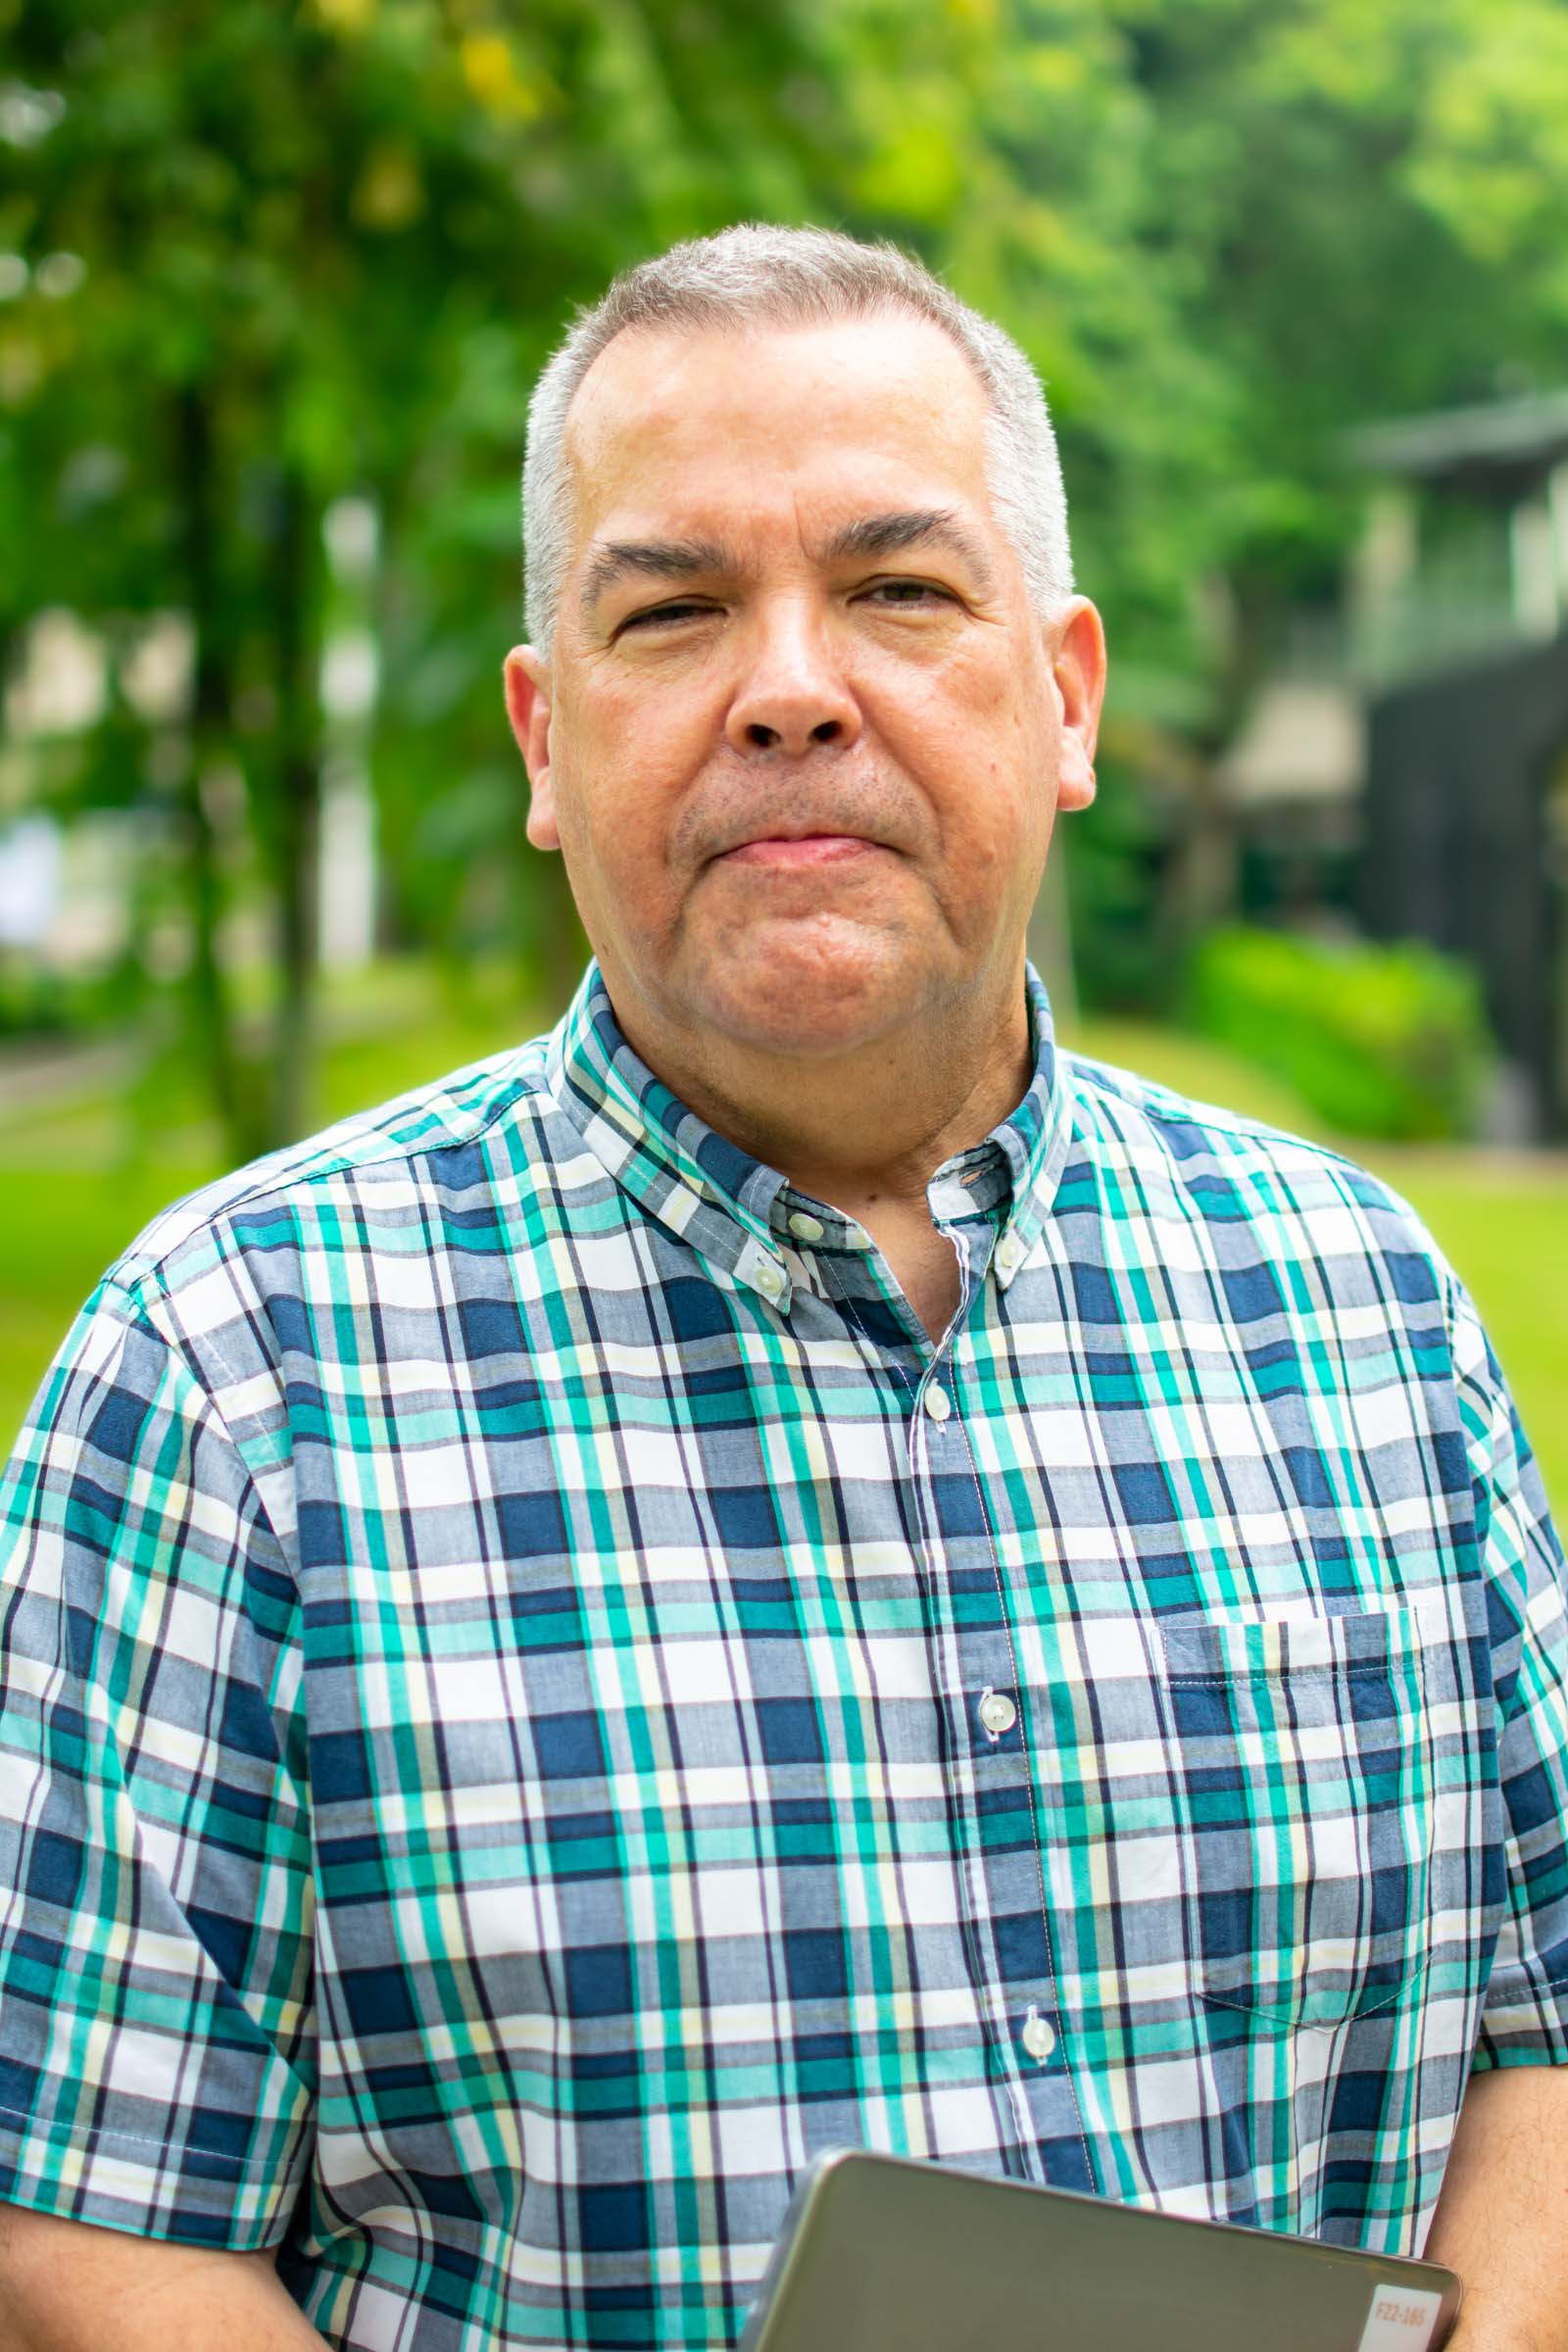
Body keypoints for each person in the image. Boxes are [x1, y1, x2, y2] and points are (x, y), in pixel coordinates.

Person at [0, 223, 1565, 2352]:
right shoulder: (231, 1373)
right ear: (547, 742)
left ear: (1068, 696)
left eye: (900, 592)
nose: (792, 684)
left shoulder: (1363, 1313)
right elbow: (88, 2222)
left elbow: (1535, 2029)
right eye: (675, 613)